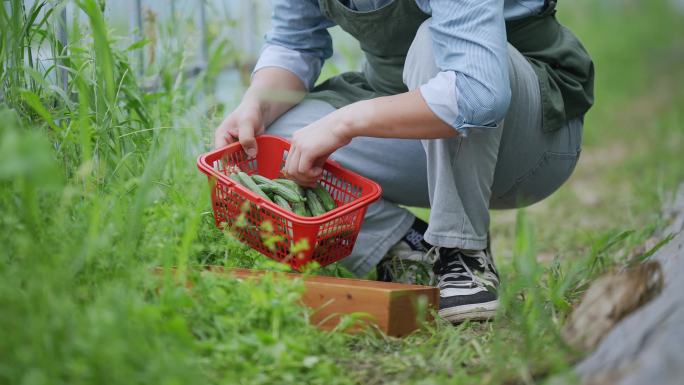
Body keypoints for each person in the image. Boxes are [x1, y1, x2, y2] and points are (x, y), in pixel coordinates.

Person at [214, 0, 594, 323]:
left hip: (533, 136)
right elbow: (294, 42)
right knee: (273, 141)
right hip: (416, 123)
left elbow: (479, 95)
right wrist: (255, 104)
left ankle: (461, 251)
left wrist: (346, 122)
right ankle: (407, 248)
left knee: (435, 48)